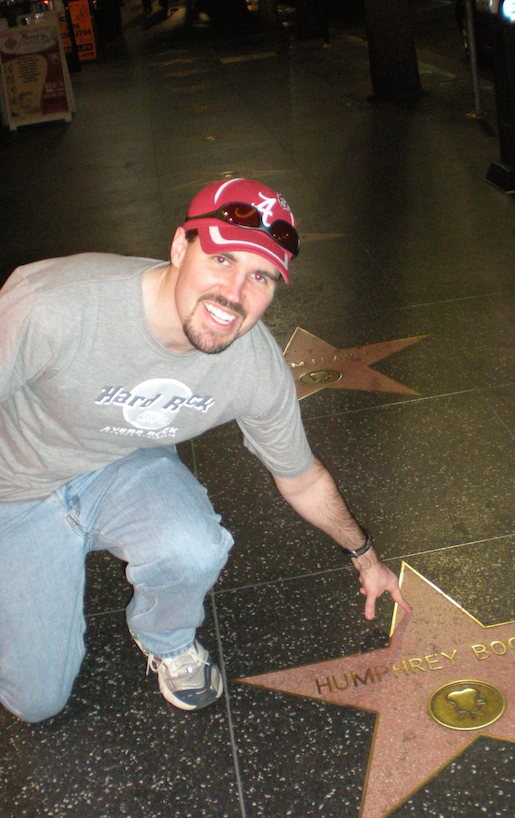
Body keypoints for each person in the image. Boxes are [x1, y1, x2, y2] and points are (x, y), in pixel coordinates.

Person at [0, 177, 409, 723]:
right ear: (178, 248)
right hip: (14, 491)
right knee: (37, 702)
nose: (234, 294)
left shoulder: (253, 367)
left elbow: (302, 478)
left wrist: (366, 557)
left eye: (259, 276)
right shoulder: (54, 304)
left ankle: (167, 639)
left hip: (123, 467)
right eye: (221, 260)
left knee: (195, 545)